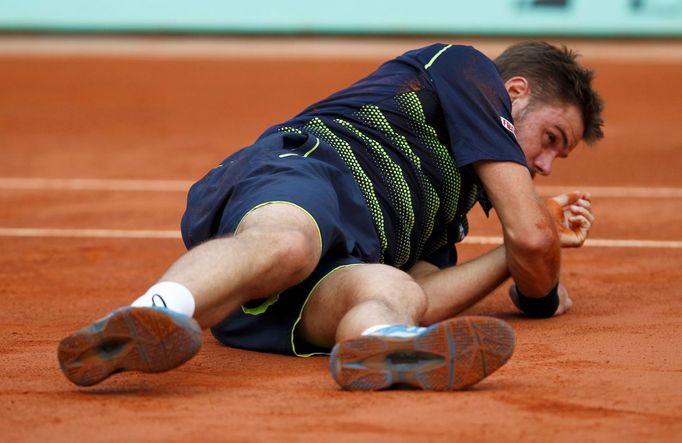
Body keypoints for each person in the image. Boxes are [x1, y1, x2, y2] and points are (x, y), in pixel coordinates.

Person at [58, 41, 603, 391]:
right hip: (309, 172)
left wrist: (514, 255)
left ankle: (379, 342)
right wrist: (538, 253)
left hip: (280, 306)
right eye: (551, 139)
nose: (546, 166)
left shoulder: (451, 209)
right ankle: (151, 312)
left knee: (396, 290)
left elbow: (435, 294)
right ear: (512, 93)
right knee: (292, 244)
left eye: (560, 156)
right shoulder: (467, 69)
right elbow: (532, 240)